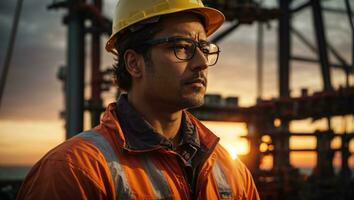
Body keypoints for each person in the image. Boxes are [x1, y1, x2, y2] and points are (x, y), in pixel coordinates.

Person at [17, 0, 260, 199]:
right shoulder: (74, 172)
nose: (201, 63)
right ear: (134, 63)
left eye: (204, 49)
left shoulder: (231, 171)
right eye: (182, 47)